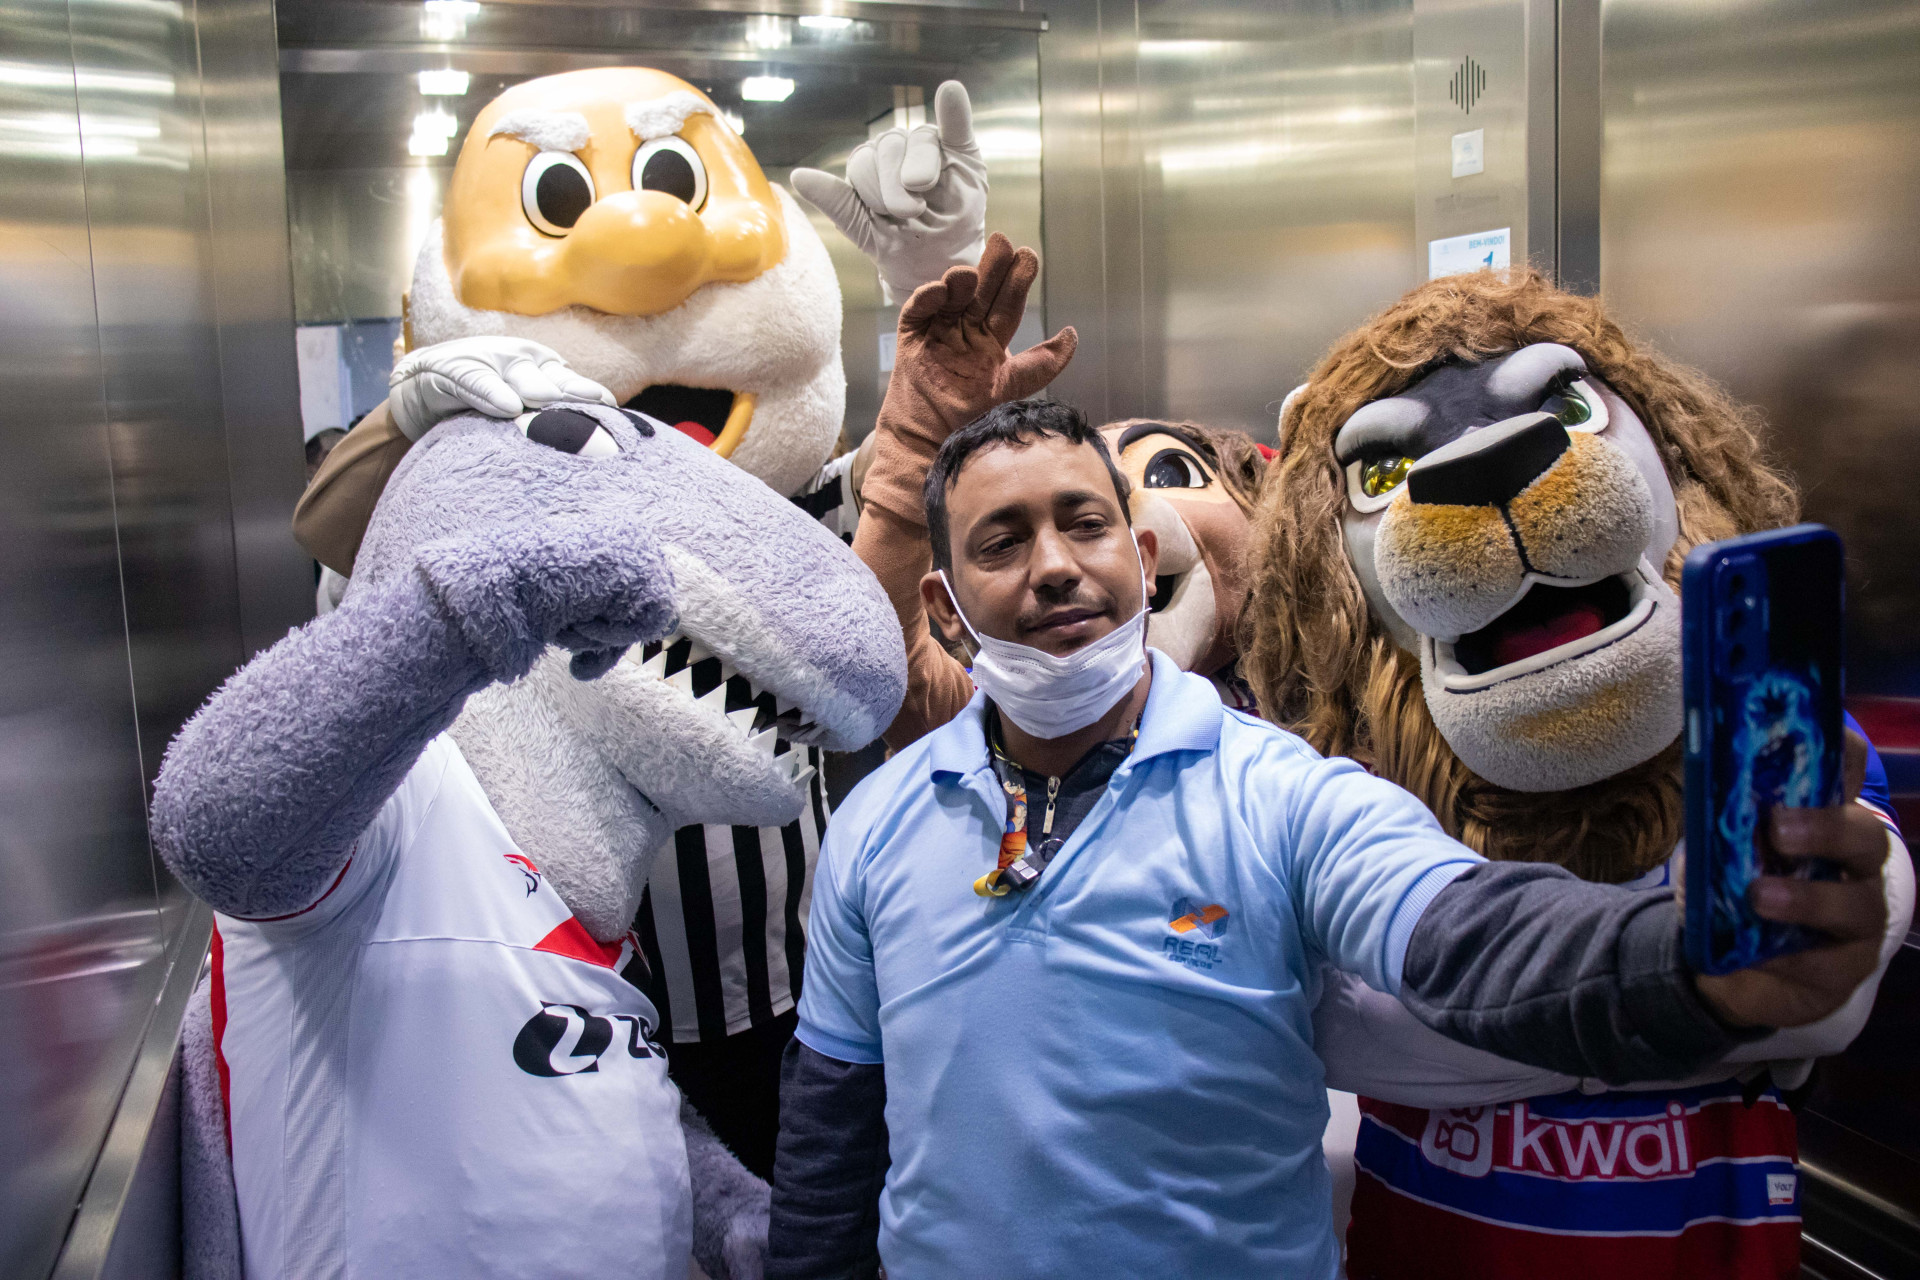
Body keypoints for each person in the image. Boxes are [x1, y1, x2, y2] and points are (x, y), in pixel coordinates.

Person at [765, 399, 1891, 1279]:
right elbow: (832, 1129)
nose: (1056, 564)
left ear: (1139, 554)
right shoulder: (878, 822)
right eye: (1003, 541)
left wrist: (1688, 964)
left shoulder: (1280, 793)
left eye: (1085, 522)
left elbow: (1468, 934)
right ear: (946, 604)